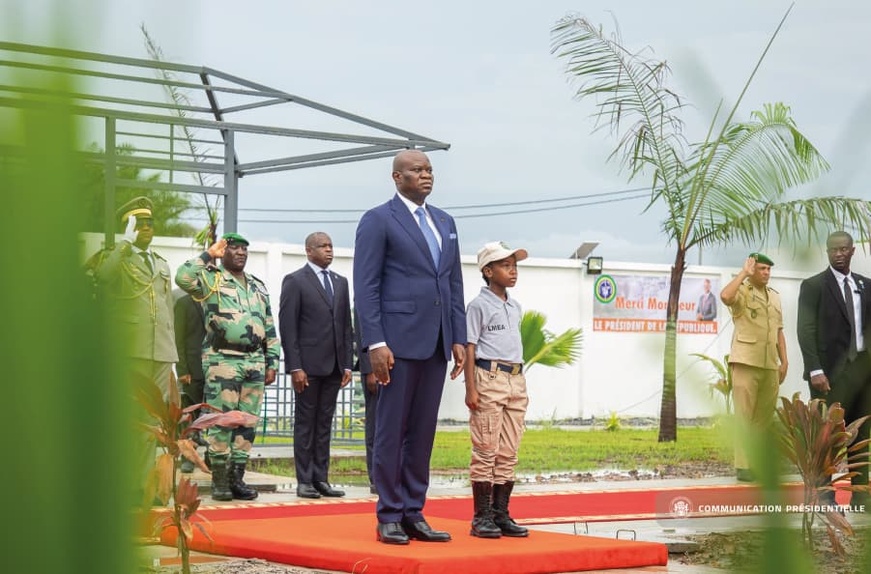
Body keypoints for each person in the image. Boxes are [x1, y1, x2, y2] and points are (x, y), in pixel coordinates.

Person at [353, 149, 466, 545]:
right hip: (395, 344)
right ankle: (388, 514)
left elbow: (452, 283)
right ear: (397, 177)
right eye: (417, 170)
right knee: (391, 431)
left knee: (421, 433)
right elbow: (365, 287)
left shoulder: (445, 222)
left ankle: (414, 512)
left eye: (429, 169)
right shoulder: (378, 220)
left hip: (435, 342)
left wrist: (457, 336)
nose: (426, 175)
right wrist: (375, 343)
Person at [175, 232, 280, 501]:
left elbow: (268, 325)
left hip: (254, 361)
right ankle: (219, 480)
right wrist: (209, 255)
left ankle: (237, 480)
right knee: (222, 422)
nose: (241, 253)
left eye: (245, 249)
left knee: (247, 424)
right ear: (225, 252)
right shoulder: (212, 279)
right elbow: (183, 278)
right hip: (224, 360)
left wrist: (272, 361)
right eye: (234, 248)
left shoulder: (257, 286)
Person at [93, 196, 177, 501]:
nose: (145, 228)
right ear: (127, 227)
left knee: (154, 423)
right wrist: (123, 243)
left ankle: (144, 488)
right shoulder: (117, 257)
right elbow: (102, 278)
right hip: (133, 350)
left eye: (149, 223)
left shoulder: (162, 263)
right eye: (138, 224)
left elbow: (167, 309)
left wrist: (173, 354)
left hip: (161, 352)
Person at [797, 231, 871, 507]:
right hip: (828, 376)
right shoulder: (814, 285)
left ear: (852, 251)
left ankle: (861, 496)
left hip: (863, 375)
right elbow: (805, 330)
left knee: (862, 435)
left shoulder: (866, 285)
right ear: (827, 252)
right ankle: (824, 496)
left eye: (843, 249)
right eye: (832, 250)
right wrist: (815, 369)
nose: (838, 254)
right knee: (826, 438)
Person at [279, 232, 352, 499]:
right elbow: (289, 328)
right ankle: (304, 479)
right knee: (306, 423)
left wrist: (347, 364)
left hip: (334, 367)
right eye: (323, 246)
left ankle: (321, 478)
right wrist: (294, 366)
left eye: (331, 246)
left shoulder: (341, 283)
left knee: (324, 424)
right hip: (307, 368)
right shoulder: (296, 281)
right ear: (309, 251)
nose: (329, 250)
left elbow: (345, 326)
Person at [464, 241, 530, 539]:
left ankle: (502, 514)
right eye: (505, 265)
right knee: (486, 449)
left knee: (508, 450)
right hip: (488, 378)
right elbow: (470, 347)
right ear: (488, 271)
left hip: (515, 379)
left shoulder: (514, 306)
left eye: (514, 265)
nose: (512, 270)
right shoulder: (479, 306)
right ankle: (482, 517)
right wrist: (470, 389)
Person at [720, 253, 787, 482]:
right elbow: (725, 296)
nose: (766, 273)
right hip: (746, 360)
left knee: (763, 417)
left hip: (769, 363)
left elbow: (779, 331)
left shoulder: (775, 297)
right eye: (761, 268)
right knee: (744, 415)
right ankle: (743, 465)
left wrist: (784, 361)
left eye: (768, 269)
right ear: (752, 269)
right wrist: (743, 274)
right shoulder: (742, 290)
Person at [173, 289, 209, 473]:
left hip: (215, 366)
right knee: (189, 414)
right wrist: (182, 369)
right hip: (192, 368)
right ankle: (188, 456)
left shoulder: (218, 300)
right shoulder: (184, 303)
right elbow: (178, 339)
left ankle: (212, 455)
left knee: (213, 413)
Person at [353, 309, 379, 495]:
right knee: (376, 425)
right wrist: (369, 369)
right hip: (375, 366)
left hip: (400, 363)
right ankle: (377, 478)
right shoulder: (370, 288)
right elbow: (363, 329)